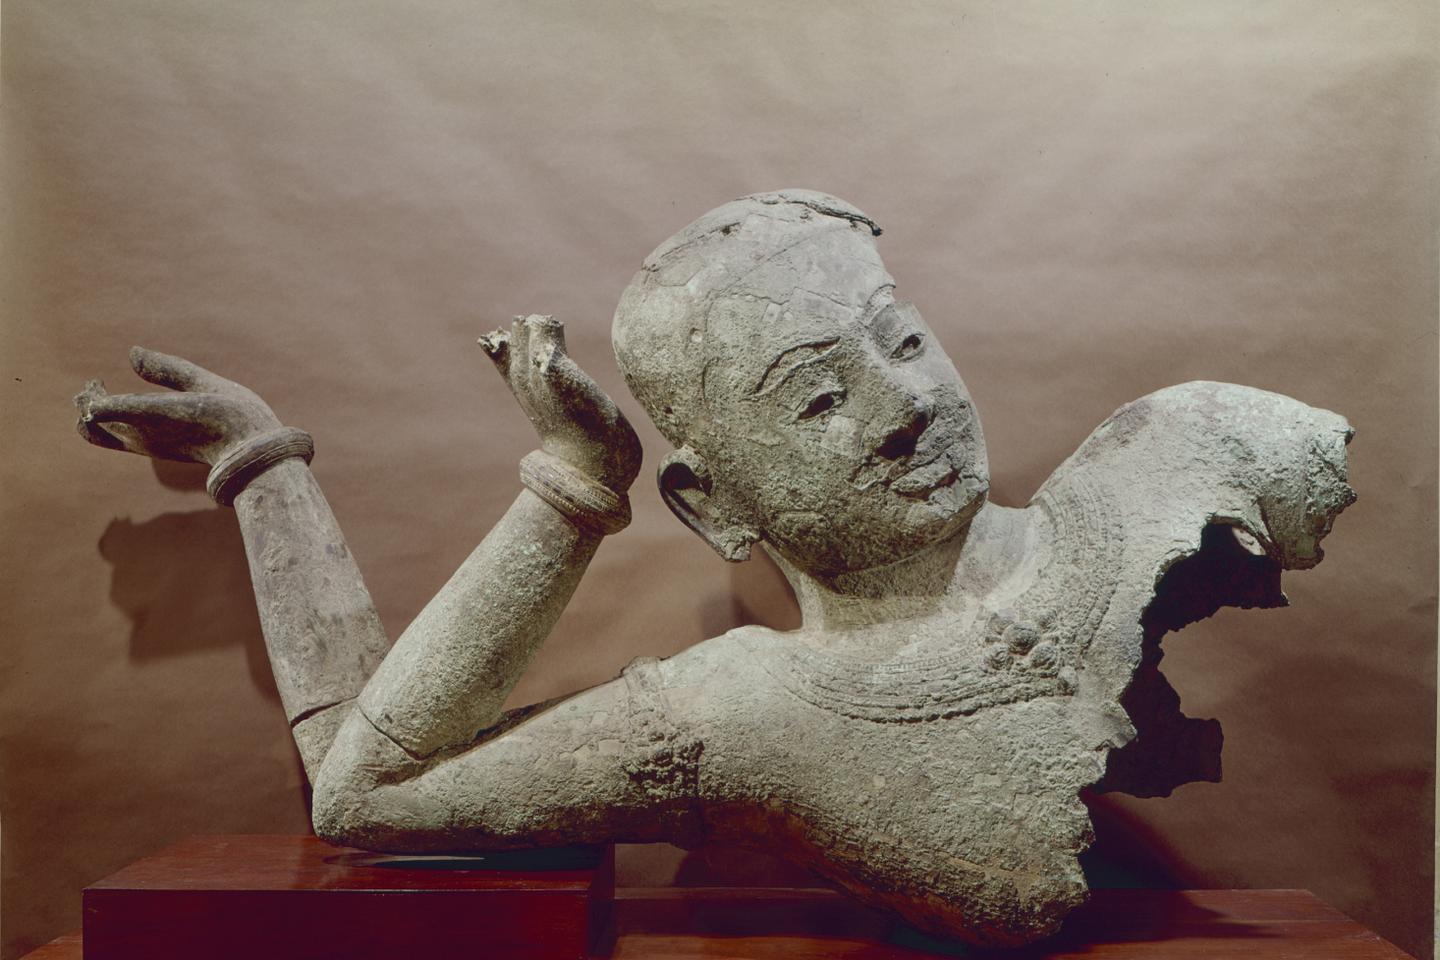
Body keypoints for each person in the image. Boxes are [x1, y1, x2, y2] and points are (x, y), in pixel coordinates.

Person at [74, 190, 1356, 946]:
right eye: (816, 402)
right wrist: (565, 490)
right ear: (713, 505)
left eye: (904, 340)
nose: (903, 407)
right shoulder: (748, 715)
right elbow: (365, 787)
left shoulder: (1183, 458)